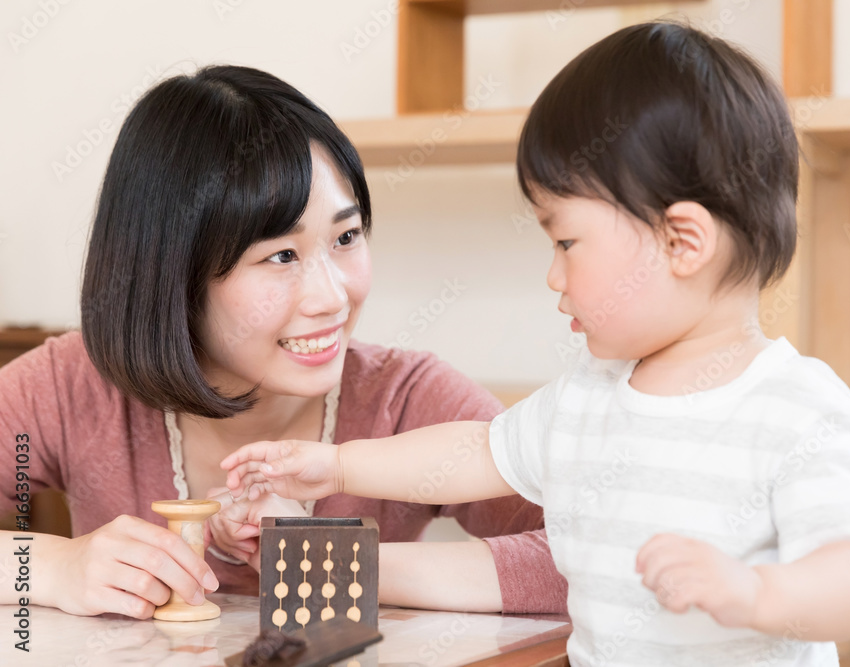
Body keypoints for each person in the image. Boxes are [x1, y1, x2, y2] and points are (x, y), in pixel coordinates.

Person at [220, 22, 850, 666]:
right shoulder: (588, 394)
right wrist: (338, 468)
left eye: (566, 241)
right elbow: (474, 452)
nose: (553, 274)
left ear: (682, 241)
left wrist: (760, 592)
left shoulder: (792, 405)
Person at [0, 65, 567, 619]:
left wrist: (336, 565)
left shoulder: (407, 400)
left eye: (346, 236)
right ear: (173, 275)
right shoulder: (70, 385)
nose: (331, 296)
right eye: (281, 256)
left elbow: (599, 552)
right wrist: (50, 567)